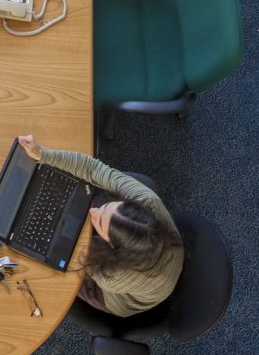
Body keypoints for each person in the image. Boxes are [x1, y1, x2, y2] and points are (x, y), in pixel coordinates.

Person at [18, 135, 184, 317]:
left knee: (56, 266)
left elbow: (82, 264)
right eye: (107, 207)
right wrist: (42, 154)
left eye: (100, 221)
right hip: (150, 260)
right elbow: (94, 168)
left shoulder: (115, 277)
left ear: (113, 249)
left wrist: (52, 226)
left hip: (116, 298)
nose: (93, 212)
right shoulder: (146, 200)